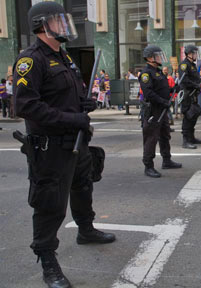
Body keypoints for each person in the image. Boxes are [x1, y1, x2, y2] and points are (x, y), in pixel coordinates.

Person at [13, 2, 115, 287]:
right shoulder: (31, 60)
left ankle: (86, 229)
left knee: (83, 186)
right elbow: (25, 105)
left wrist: (84, 104)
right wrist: (72, 119)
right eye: (60, 21)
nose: (65, 26)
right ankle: (47, 260)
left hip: (77, 141)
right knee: (50, 204)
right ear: (42, 25)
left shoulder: (64, 56)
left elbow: (65, 96)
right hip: (50, 147)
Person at [139, 45, 182, 178]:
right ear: (150, 58)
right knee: (151, 138)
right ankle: (148, 166)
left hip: (162, 109)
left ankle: (166, 160)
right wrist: (164, 102)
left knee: (165, 135)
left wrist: (173, 89)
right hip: (153, 110)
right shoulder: (146, 73)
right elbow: (149, 93)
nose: (160, 58)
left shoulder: (158, 72)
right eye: (157, 55)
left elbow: (162, 89)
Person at [179, 44, 201, 149]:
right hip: (187, 95)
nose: (195, 55)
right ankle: (185, 140)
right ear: (189, 54)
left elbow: (194, 78)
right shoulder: (184, 65)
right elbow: (184, 80)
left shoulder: (192, 65)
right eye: (194, 53)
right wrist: (196, 85)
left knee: (194, 115)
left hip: (193, 94)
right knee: (188, 117)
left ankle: (191, 137)